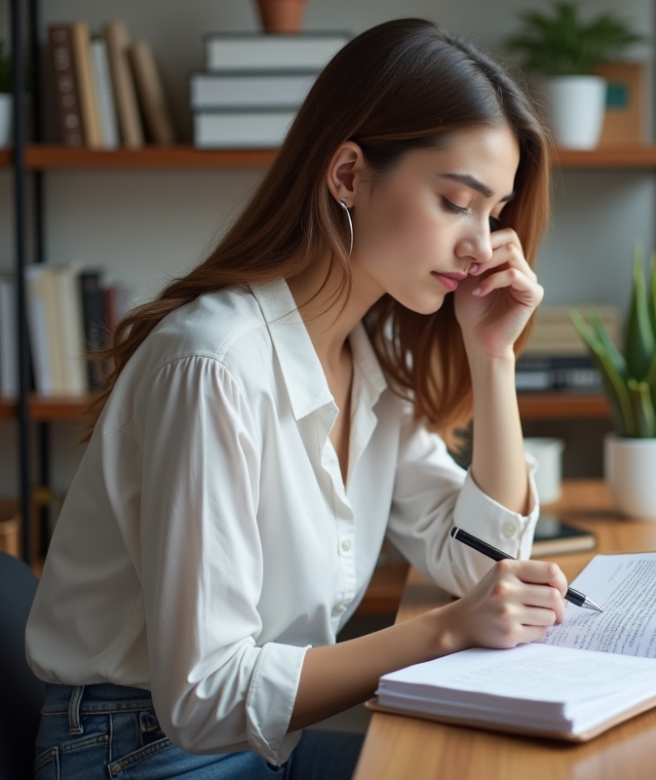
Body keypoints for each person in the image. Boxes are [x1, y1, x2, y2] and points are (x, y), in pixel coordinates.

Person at [26, 19, 566, 779]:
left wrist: (493, 356)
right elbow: (202, 696)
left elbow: (482, 567)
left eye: (494, 214)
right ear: (348, 175)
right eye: (455, 202)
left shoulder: (365, 360)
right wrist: (445, 633)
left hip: (242, 744)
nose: (483, 246)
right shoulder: (213, 367)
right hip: (137, 751)